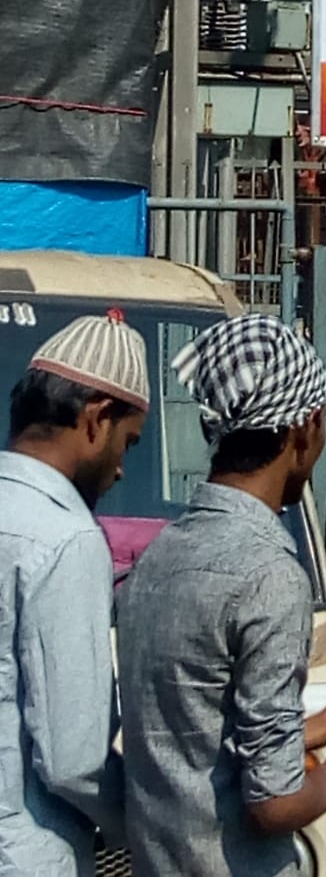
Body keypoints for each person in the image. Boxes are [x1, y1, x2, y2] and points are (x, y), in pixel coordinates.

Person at [118, 314, 326, 877]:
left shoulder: (159, 556)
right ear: (306, 427)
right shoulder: (270, 575)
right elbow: (273, 805)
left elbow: (202, 745)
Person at [0, 309, 150, 876]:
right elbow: (74, 762)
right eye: (127, 444)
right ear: (96, 419)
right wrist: (141, 825)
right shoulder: (67, 539)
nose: (120, 470)